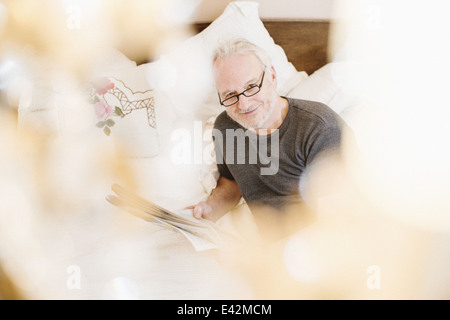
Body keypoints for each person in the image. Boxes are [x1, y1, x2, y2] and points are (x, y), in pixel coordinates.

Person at [190, 38, 350, 241]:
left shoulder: (320, 128)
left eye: (251, 86)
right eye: (230, 95)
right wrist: (209, 209)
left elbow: (337, 224)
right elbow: (232, 182)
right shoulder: (225, 126)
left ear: (272, 77)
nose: (244, 104)